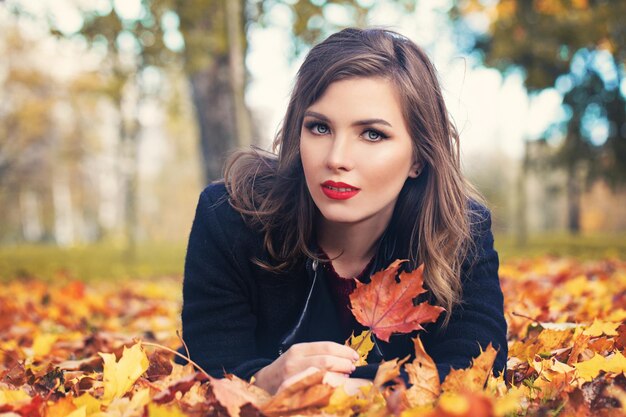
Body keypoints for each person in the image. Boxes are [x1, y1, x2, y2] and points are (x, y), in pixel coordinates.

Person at [180, 27, 507, 395]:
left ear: (418, 157)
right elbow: (206, 371)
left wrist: (356, 391)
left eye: (372, 134)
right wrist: (261, 381)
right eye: (319, 127)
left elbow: (480, 371)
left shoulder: (459, 231)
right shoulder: (232, 216)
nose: (336, 159)